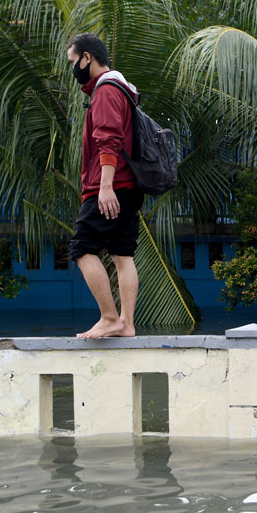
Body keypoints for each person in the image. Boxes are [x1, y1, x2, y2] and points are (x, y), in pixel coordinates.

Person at [66, 33, 143, 339]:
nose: (73, 69)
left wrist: (105, 187)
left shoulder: (106, 90)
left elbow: (108, 138)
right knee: (122, 254)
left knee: (82, 248)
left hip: (111, 184)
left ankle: (110, 317)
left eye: (74, 62)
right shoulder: (123, 89)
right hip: (128, 185)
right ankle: (127, 323)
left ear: (87, 57)